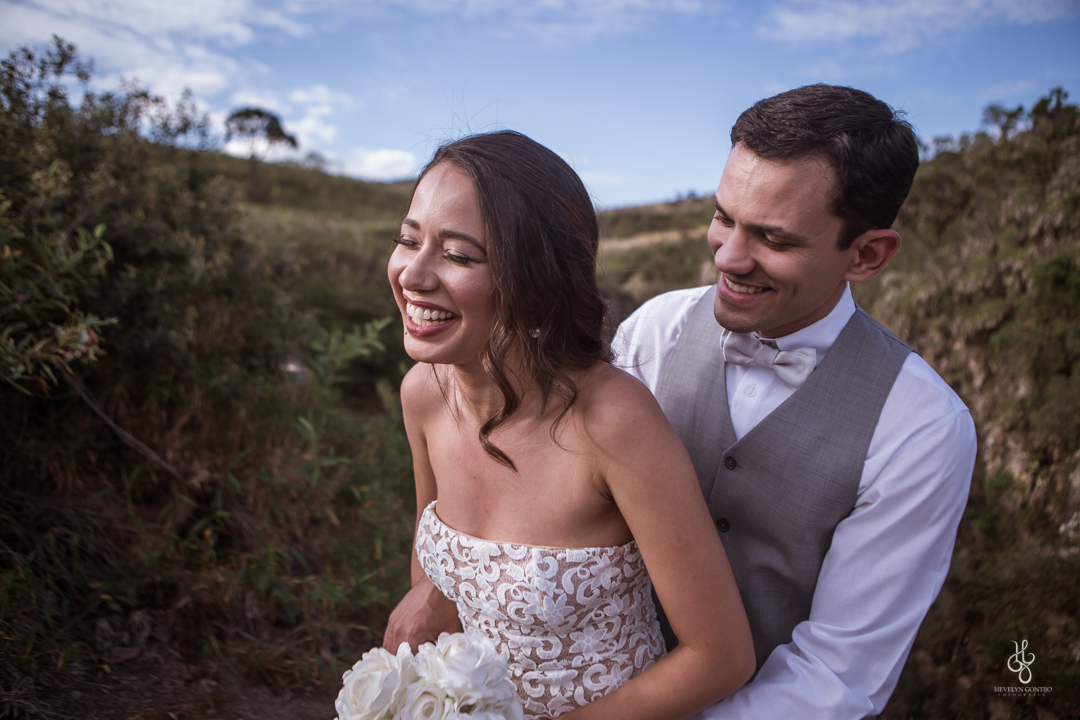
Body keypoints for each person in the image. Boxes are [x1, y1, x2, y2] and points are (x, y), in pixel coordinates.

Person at [612, 84, 977, 718]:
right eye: (724, 216)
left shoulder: (923, 427)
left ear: (867, 254)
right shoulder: (653, 332)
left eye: (773, 240)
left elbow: (836, 675)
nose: (727, 257)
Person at [383, 130, 755, 719]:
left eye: (458, 255)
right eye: (408, 240)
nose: (414, 274)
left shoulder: (611, 420)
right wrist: (430, 600)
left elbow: (720, 656)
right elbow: (437, 564)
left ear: (534, 279)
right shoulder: (424, 394)